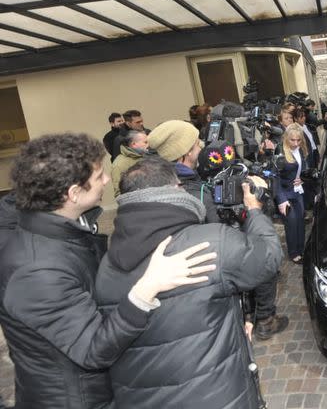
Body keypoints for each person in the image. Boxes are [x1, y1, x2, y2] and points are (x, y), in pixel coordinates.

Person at [0, 134, 216, 409]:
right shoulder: (36, 271)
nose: (106, 180)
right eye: (100, 175)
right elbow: (94, 349)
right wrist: (146, 287)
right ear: (73, 193)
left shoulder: (62, 231)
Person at [96, 157, 281, 408]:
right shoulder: (211, 242)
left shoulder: (106, 263)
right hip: (214, 395)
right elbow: (268, 258)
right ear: (174, 189)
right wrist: (254, 209)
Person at [148, 121, 289, 340]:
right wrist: (252, 209)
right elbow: (218, 230)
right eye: (196, 144)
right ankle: (265, 320)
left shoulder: (161, 182)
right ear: (185, 153)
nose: (201, 147)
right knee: (261, 264)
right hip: (210, 262)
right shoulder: (193, 192)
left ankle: (252, 316)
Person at [276, 123, 308, 264]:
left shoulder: (300, 150)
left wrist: (302, 179)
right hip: (285, 194)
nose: (295, 143)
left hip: (297, 192)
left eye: (298, 140)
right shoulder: (280, 152)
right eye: (292, 140)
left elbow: (304, 167)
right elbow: (274, 178)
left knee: (300, 221)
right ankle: (293, 252)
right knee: (292, 222)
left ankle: (301, 249)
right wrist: (281, 200)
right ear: (286, 138)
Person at [111, 129, 148, 197]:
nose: (149, 145)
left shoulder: (147, 156)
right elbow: (119, 193)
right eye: (146, 142)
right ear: (134, 144)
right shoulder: (119, 164)